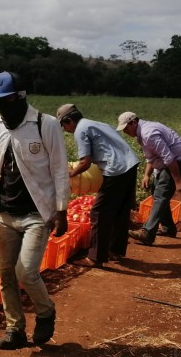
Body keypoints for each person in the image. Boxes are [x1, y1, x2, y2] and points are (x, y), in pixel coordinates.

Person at [0, 71, 70, 350]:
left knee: (26, 272)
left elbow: (60, 170)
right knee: (6, 274)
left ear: (21, 96)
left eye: (7, 100)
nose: (2, 106)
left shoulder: (44, 124)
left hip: (37, 213)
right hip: (5, 213)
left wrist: (61, 210)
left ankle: (46, 311)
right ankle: (15, 330)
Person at [56, 104, 140, 267]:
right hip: (130, 164)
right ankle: (116, 250)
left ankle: (95, 257)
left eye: (64, 126)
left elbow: (85, 163)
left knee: (98, 212)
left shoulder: (80, 130)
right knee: (120, 210)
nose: (65, 130)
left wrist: (70, 175)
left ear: (68, 120)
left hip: (116, 169)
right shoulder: (96, 124)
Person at [117, 112, 181, 246]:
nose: (125, 132)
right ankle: (168, 228)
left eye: (126, 128)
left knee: (161, 194)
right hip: (168, 162)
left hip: (178, 160)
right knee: (156, 192)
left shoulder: (148, 134)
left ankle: (147, 233)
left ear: (133, 122)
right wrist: (147, 175)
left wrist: (178, 182)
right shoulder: (142, 135)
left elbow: (169, 157)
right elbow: (151, 158)